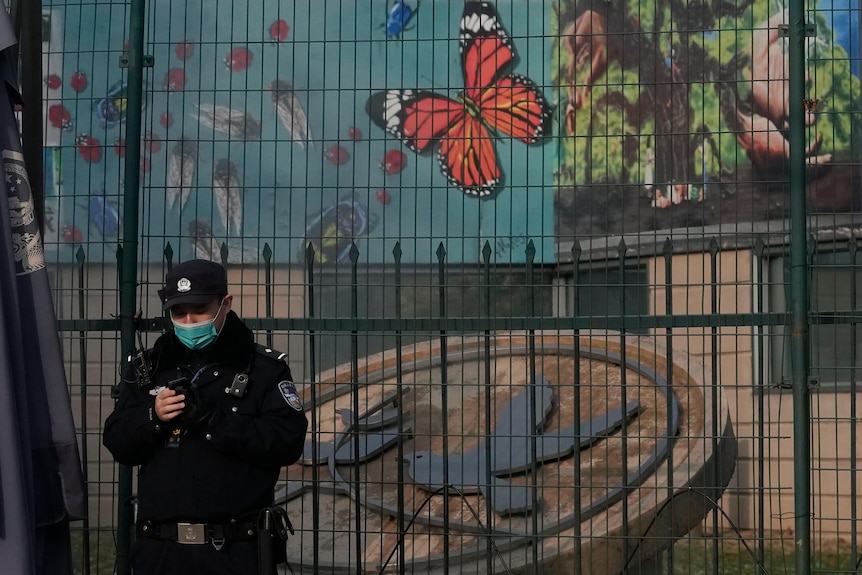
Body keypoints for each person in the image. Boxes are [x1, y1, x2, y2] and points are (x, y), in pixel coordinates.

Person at [103, 259, 308, 575]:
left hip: (233, 548)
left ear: (225, 303)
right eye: (178, 312)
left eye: (199, 309)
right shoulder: (149, 368)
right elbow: (118, 440)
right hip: (160, 551)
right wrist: (154, 416)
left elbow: (287, 441)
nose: (188, 320)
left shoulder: (263, 369)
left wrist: (215, 422)